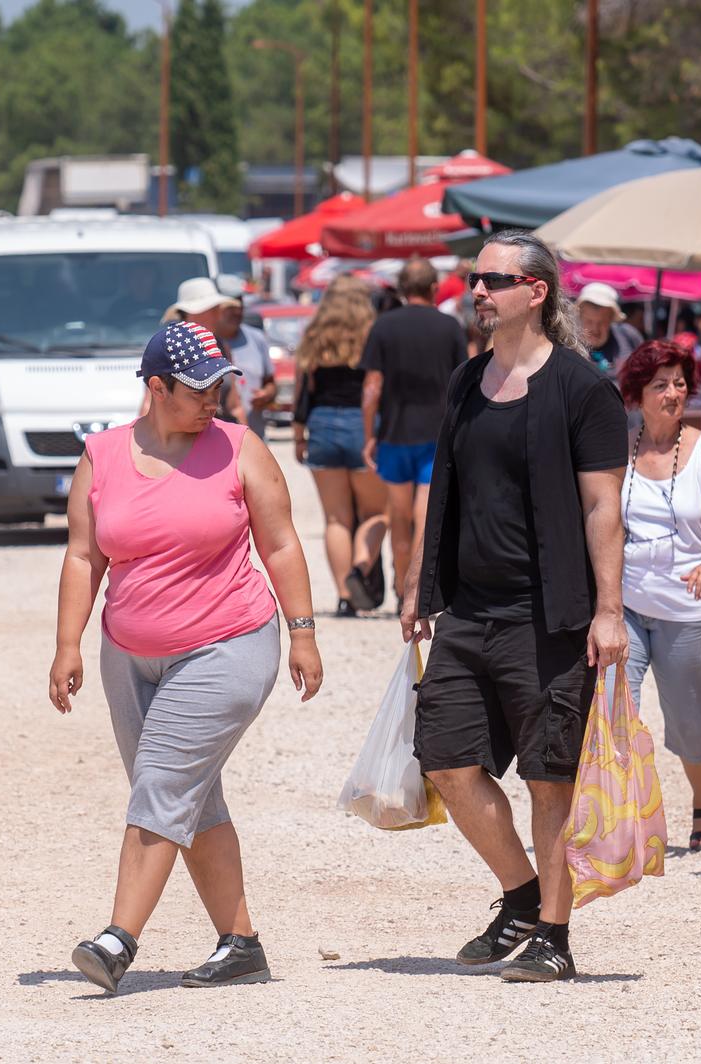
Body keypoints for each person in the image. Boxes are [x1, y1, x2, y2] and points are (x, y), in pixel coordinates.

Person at [48, 320, 323, 994]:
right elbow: (84, 556)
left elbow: (281, 543)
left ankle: (117, 940)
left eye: (219, 386)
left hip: (228, 644)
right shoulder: (103, 455)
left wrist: (304, 632)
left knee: (162, 787)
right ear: (156, 387)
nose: (212, 400)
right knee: (189, 800)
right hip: (128, 654)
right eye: (197, 390)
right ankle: (241, 944)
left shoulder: (239, 448)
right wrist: (67, 643)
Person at [400, 230, 629, 983]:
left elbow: (603, 507)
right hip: (468, 612)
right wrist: (418, 584)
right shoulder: (468, 382)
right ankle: (524, 894)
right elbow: (446, 489)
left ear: (536, 292)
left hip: (552, 615)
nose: (477, 291)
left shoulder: (582, 387)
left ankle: (555, 938)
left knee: (549, 776)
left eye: (493, 281)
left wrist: (609, 610)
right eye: (474, 279)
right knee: (447, 760)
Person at [616, 339, 701, 851]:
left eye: (679, 383)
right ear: (637, 394)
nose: (673, 393)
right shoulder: (618, 447)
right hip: (624, 606)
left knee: (690, 725)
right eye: (660, 385)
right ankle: (623, 813)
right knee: (613, 709)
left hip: (691, 611)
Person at [361, 258, 468, 607]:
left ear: (403, 289)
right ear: (435, 288)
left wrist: (369, 434)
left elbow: (372, 387)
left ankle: (399, 585)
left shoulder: (383, 327)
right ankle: (419, 590)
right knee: (426, 517)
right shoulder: (450, 326)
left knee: (399, 518)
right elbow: (464, 380)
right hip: (437, 435)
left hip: (394, 434)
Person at [292, 276, 388, 617]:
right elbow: (379, 389)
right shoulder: (373, 335)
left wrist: (298, 435)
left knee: (336, 518)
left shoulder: (315, 335)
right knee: (378, 513)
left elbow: (304, 391)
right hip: (362, 425)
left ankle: (345, 596)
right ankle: (361, 567)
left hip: (321, 424)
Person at [146, 278, 247, 425]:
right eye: (211, 310)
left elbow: (235, 405)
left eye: (218, 309)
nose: (218, 315)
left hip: (218, 434)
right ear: (190, 313)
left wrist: (244, 439)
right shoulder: (169, 349)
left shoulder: (220, 346)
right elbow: (150, 402)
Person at [218, 280, 278, 440]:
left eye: (240, 305)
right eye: (230, 307)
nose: (237, 311)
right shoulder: (205, 341)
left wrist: (266, 394)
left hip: (254, 436)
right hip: (217, 440)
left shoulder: (257, 338)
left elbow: (270, 382)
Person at [576, 283, 643, 375]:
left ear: (612, 320)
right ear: (580, 317)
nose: (595, 328)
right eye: (589, 321)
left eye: (602, 322)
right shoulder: (569, 346)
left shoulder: (628, 336)